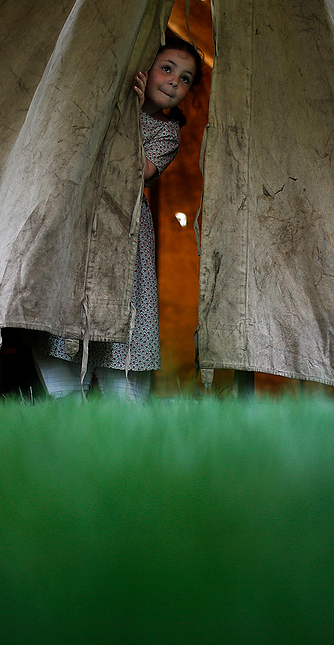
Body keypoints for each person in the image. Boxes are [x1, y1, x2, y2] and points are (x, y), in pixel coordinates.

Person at [33, 34, 203, 401]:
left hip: (125, 230)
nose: (175, 81)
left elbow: (135, 170)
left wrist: (131, 112)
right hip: (80, 221)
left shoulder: (166, 131)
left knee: (127, 304)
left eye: (186, 78)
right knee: (70, 303)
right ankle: (65, 397)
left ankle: (122, 401)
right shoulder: (98, 103)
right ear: (145, 68)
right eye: (168, 68)